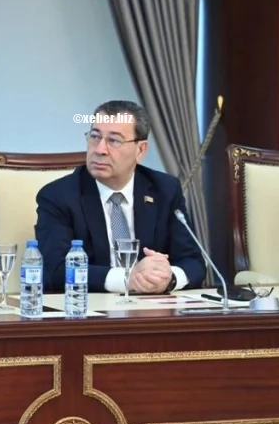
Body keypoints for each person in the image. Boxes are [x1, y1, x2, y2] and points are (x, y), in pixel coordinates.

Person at [34, 100, 205, 294]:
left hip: (151, 307)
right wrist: (128, 278)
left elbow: (194, 262)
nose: (100, 149)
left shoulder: (164, 190)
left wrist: (168, 278)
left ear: (140, 150)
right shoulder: (58, 196)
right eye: (95, 137)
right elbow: (55, 270)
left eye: (114, 141)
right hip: (90, 308)